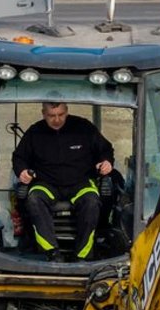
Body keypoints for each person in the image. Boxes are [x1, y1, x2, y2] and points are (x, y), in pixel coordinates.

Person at [12, 102, 114, 260]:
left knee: (92, 202)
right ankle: (51, 252)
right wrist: (22, 171)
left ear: (67, 112)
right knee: (33, 200)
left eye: (61, 115)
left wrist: (106, 161)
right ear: (43, 114)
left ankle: (82, 255)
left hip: (80, 182)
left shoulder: (84, 128)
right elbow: (19, 157)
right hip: (46, 183)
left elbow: (106, 149)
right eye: (52, 116)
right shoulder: (35, 132)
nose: (57, 120)